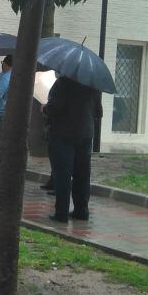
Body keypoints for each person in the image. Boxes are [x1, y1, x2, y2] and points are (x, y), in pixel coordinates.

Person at [44, 76, 102, 223]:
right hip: (85, 134)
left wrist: (44, 108)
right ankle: (81, 211)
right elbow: (98, 113)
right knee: (82, 174)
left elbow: (53, 108)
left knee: (62, 174)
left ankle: (61, 213)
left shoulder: (63, 83)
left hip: (62, 134)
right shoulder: (93, 84)